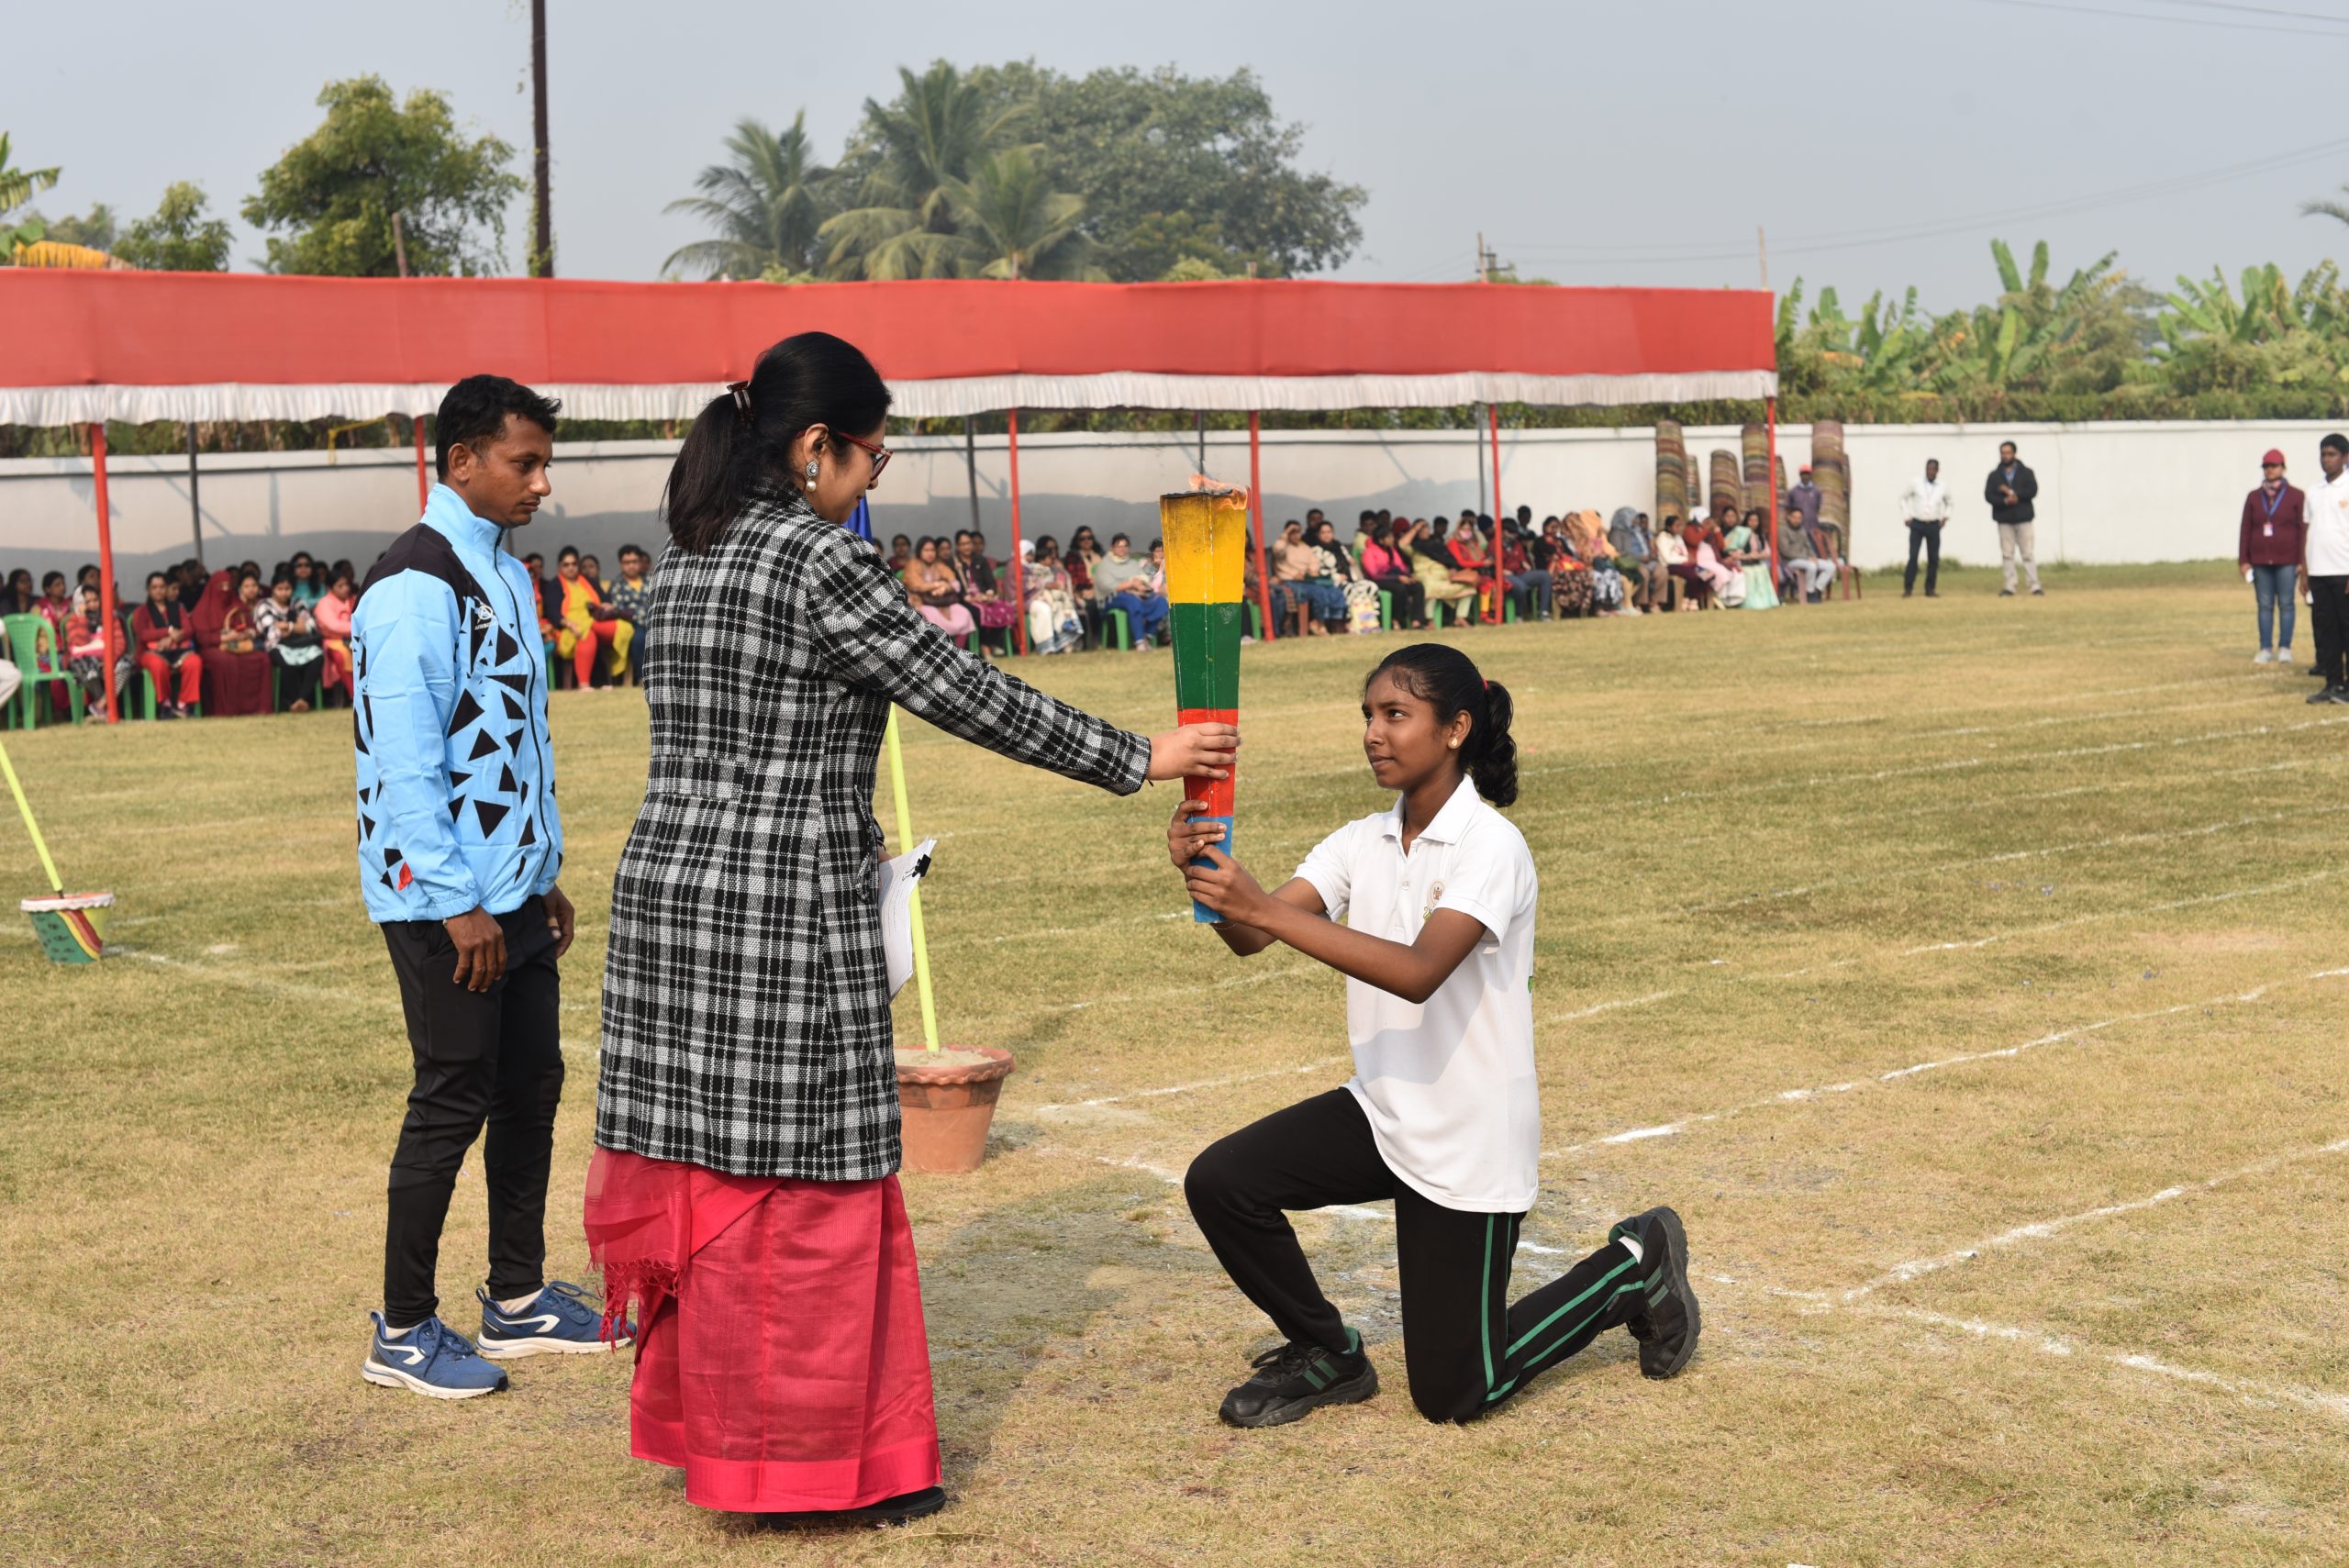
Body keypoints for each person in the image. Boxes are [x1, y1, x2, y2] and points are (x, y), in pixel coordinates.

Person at [584, 330, 1239, 1525]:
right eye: (870, 462)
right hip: (782, 921)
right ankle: (803, 1469)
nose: (871, 484)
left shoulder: (682, 563)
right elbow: (965, 696)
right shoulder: (814, 563)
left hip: (669, 913)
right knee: (805, 1202)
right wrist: (1142, 756)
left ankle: (716, 1439)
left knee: (714, 1187)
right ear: (815, 445)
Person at [1173, 643, 1699, 1429]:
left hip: (1469, 1136)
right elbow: (1253, 938)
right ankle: (1328, 1352)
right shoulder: (1360, 840)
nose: (1373, 734)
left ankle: (1633, 1269)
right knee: (1222, 1181)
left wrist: (1263, 908)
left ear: (1455, 728)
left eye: (1395, 714)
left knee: (1455, 1393)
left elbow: (1420, 970)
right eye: (1368, 715)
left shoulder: (1492, 845)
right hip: (1384, 1111)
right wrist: (1204, 874)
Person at [352, 373, 606, 1401]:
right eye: (524, 461)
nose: (541, 482)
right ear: (461, 461)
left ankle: (517, 1292)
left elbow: (508, 742)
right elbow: (406, 761)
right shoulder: (413, 583)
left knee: (530, 1087)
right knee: (450, 1098)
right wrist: (459, 900)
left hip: (510, 896)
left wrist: (539, 877)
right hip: (439, 902)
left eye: (544, 462)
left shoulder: (503, 570)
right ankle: (403, 1327)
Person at [2240, 449, 2305, 666]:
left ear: (2283, 468)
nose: (2270, 470)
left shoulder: (2297, 495)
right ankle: (2265, 648)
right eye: (2267, 467)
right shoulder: (2253, 497)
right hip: (2260, 560)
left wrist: (2301, 561)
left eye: (2274, 466)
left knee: (2287, 604)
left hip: (2287, 560)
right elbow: (2245, 529)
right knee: (2264, 605)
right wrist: (2243, 560)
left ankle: (2285, 647)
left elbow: (2302, 530)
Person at [188, 567, 271, 717]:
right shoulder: (203, 609)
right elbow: (202, 639)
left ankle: (260, 709)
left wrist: (244, 634)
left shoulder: (237, 605)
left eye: (228, 586)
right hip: (213, 648)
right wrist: (224, 637)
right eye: (221, 587)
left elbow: (252, 629)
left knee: (262, 659)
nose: (225, 590)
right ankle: (228, 711)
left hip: (239, 645)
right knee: (226, 661)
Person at [2305, 433, 2349, 704]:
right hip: (2319, 573)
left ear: (2345, 458)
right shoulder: (2313, 491)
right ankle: (2333, 684)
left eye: (2331, 454)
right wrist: (2304, 568)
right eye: (2323, 454)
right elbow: (2306, 532)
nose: (2326, 460)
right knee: (2327, 631)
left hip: (2344, 571)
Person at [554, 545, 631, 687]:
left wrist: (607, 605)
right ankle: (584, 685)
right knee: (588, 635)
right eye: (566, 565)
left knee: (625, 628)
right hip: (570, 628)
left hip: (593, 621)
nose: (570, 568)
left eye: (574, 564)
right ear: (560, 567)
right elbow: (553, 612)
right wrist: (569, 624)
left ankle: (614, 678)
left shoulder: (588, 581)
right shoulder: (555, 585)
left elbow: (605, 598)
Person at [132, 571, 204, 718]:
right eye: (154, 587)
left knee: (194, 662)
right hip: (149, 652)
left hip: (177, 650)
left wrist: (171, 639)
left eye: (162, 587)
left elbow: (188, 629)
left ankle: (184, 704)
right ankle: (165, 704)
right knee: (158, 665)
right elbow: (143, 634)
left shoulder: (177, 608)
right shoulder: (142, 611)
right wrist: (169, 631)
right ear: (148, 589)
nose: (158, 590)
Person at [254, 571, 324, 712]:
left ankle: (301, 700)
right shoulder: (264, 605)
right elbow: (272, 632)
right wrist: (297, 626)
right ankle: (294, 701)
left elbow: (311, 627)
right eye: (280, 589)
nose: (284, 593)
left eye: (287, 589)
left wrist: (288, 626)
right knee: (286, 664)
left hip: (301, 644)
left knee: (318, 657)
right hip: (278, 646)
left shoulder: (298, 603)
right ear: (273, 588)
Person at [1986, 440, 2043, 596]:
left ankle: (2034, 585)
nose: (2005, 456)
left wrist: (2014, 494)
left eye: (2008, 453)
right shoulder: (1995, 475)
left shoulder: (2026, 472)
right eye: (2003, 453)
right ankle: (2010, 585)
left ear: (2014, 454)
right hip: (2004, 520)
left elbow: (2032, 490)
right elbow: (1989, 495)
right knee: (2007, 554)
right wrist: (2004, 501)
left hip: (2023, 518)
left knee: (2028, 553)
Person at [1094, 531, 1168, 650]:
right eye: (1119, 546)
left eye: (1125, 546)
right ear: (1112, 548)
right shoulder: (1105, 565)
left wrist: (1141, 586)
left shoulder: (1132, 564)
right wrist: (1129, 584)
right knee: (1132, 601)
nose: (1123, 549)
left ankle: (1147, 636)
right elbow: (1107, 587)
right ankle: (1139, 641)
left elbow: (1143, 579)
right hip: (1111, 598)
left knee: (1161, 601)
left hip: (1136, 595)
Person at [1310, 517, 1381, 634]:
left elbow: (1349, 560)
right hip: (1333, 582)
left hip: (1350, 578)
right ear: (1318, 534)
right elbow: (1319, 571)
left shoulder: (1339, 546)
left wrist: (1352, 563)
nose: (1327, 535)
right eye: (1323, 532)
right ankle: (1352, 622)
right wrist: (1336, 576)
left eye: (1329, 532)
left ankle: (1369, 621)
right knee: (1353, 590)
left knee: (1370, 586)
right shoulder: (1316, 550)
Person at [1358, 515, 1427, 630]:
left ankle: (1416, 621)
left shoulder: (1391, 550)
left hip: (1394, 578)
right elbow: (1375, 574)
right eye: (1389, 537)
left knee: (1417, 586)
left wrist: (1409, 576)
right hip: (1377, 581)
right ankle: (1396, 620)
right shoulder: (1369, 552)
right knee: (1400, 588)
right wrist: (1397, 578)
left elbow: (1401, 567)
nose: (1392, 539)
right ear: (1381, 540)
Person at [902, 537, 975, 643]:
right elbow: (917, 586)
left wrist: (945, 588)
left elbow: (956, 584)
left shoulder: (939, 565)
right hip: (921, 603)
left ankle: (958, 651)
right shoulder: (913, 564)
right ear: (919, 551)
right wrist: (938, 584)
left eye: (932, 550)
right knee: (931, 616)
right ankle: (939, 652)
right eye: (926, 550)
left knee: (964, 612)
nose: (930, 553)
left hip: (942, 602)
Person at [1023, 535, 1085, 654]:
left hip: (1059, 597)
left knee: (1063, 608)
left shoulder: (1054, 567)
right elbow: (1035, 584)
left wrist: (1060, 571)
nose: (1053, 555)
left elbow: (1066, 581)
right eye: (1050, 551)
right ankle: (1052, 645)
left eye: (1055, 549)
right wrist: (1051, 585)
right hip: (1042, 598)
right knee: (1054, 608)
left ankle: (1067, 642)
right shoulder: (1033, 569)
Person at [1900, 459, 1951, 598]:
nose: (1931, 472)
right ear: (1925, 469)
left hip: (1934, 525)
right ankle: (1908, 588)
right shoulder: (1915, 483)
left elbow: (1950, 503)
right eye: (1929, 469)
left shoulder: (1942, 486)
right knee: (1913, 556)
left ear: (1937, 471)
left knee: (1933, 558)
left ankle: (1930, 589)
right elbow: (1903, 498)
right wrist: (1907, 516)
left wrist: (1945, 517)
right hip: (1917, 524)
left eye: (1933, 469)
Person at [607, 544, 654, 680]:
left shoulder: (650, 579)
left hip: (653, 622)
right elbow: (619, 608)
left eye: (634, 562)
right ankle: (642, 678)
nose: (631, 566)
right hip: (632, 623)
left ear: (640, 562)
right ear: (621, 564)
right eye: (627, 562)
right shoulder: (617, 584)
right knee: (639, 639)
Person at [1777, 504, 1836, 604]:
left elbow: (1808, 546)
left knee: (1831, 566)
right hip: (1790, 561)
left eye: (1799, 518)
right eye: (1794, 517)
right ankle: (1810, 593)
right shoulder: (1783, 531)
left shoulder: (1802, 530)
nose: (1796, 520)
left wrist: (1813, 556)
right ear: (1788, 517)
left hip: (1805, 559)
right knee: (1811, 566)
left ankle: (1817, 589)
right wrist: (1807, 558)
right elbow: (1786, 551)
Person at [315, 568, 359, 700]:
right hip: (333, 640)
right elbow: (332, 625)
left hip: (355, 638)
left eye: (346, 585)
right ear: (330, 587)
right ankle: (353, 696)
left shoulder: (353, 599)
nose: (345, 588)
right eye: (340, 586)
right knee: (341, 656)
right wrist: (358, 628)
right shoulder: (324, 603)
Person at [1726, 510, 1778, 610]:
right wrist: (1748, 556)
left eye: (1756, 520)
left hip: (1756, 562)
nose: (1753, 523)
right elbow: (1733, 553)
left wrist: (1758, 555)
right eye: (1751, 520)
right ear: (1746, 521)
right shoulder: (1740, 533)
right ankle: (1749, 602)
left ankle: (1764, 601)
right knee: (1750, 573)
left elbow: (1767, 552)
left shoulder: (1760, 535)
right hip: (1742, 563)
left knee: (1762, 569)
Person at [1787, 466, 1823, 530]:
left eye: (1807, 474)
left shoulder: (1816, 491)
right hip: (1797, 529)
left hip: (1813, 527)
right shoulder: (1793, 491)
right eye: (1803, 474)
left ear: (1810, 475)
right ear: (1800, 475)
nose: (1805, 476)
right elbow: (1788, 509)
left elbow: (1819, 507)